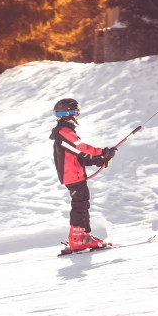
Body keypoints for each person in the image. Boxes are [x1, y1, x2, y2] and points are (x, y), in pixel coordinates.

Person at [50, 98, 117, 251]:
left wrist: (99, 161)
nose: (78, 114)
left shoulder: (66, 132)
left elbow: (78, 157)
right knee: (79, 205)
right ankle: (77, 239)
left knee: (83, 203)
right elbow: (81, 149)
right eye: (76, 111)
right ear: (67, 113)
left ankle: (83, 236)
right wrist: (102, 152)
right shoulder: (64, 132)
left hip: (76, 174)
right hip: (72, 176)